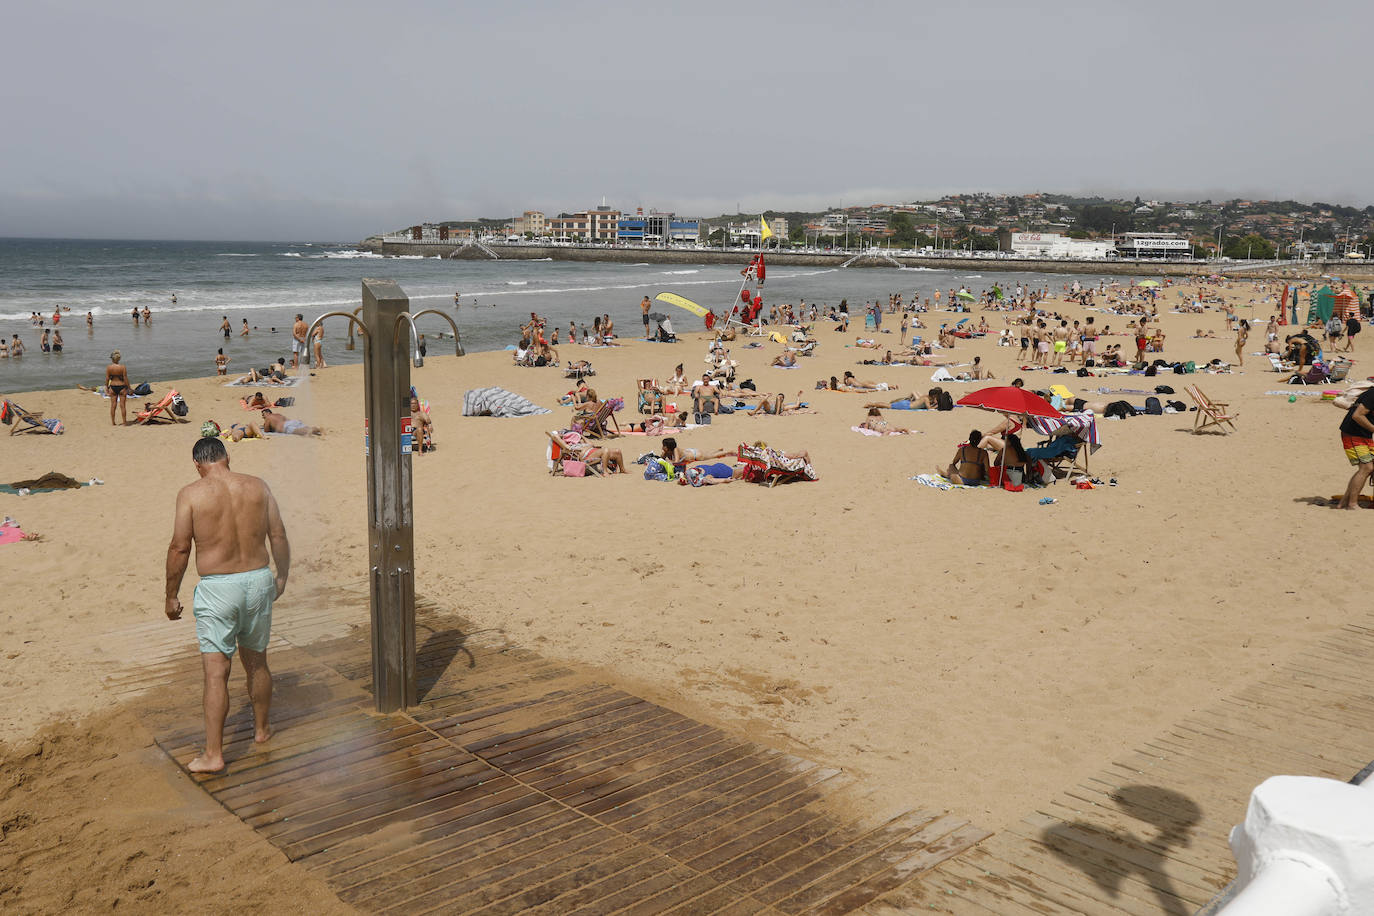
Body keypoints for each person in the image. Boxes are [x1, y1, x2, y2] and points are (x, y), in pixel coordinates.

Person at [164, 436, 290, 773]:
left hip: (219, 587)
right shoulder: (258, 487)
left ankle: (214, 754)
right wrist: (282, 576)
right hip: (258, 579)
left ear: (197, 465)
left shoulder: (191, 494)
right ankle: (261, 730)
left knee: (216, 672)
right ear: (227, 457)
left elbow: (179, 547)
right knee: (257, 661)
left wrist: (171, 594)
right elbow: (277, 535)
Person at [1337, 383, 1374, 509]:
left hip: (1364, 435)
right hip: (1352, 434)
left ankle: (1344, 502)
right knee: (1366, 468)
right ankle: (1352, 504)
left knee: (1371, 467)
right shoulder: (1372, 395)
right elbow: (1357, 415)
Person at [106, 350, 132, 426]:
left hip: (113, 386)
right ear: (119, 359)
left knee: (113, 405)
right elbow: (125, 379)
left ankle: (113, 422)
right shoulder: (122, 367)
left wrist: (107, 387)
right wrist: (129, 388)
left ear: (112, 359)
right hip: (122, 387)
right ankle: (124, 422)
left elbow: (107, 378)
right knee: (123, 406)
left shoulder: (109, 367)